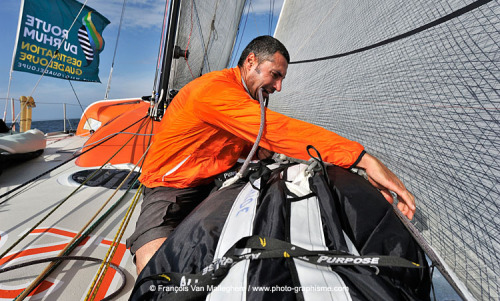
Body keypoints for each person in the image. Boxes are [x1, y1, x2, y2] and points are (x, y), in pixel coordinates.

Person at [127, 35, 416, 274]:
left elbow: (253, 143)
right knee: (153, 273)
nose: (278, 87)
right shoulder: (215, 91)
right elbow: (278, 130)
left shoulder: (241, 95)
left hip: (209, 182)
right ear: (251, 61)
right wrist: (363, 159)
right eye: (275, 75)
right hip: (169, 190)